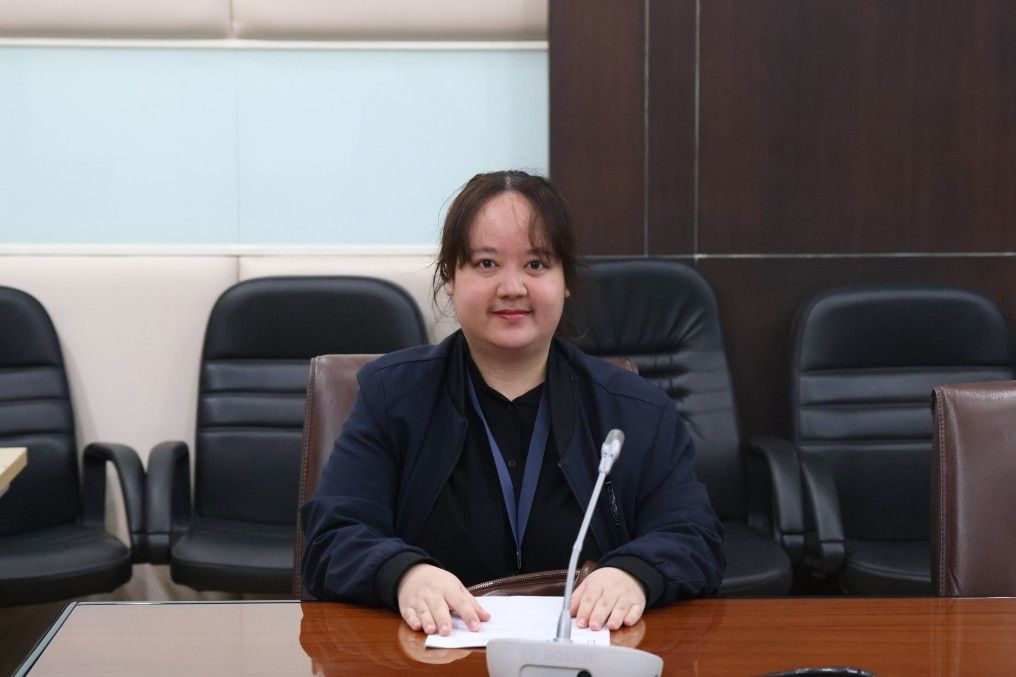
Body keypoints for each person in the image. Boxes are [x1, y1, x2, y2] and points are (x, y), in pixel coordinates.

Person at [301, 170, 724, 636]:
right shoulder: (392, 396)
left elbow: (694, 537)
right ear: (450, 277)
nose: (512, 287)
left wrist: (636, 572)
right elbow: (332, 538)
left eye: (536, 264)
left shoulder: (635, 408)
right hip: (429, 654)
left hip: (582, 657)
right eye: (486, 263)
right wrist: (403, 573)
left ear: (565, 280)